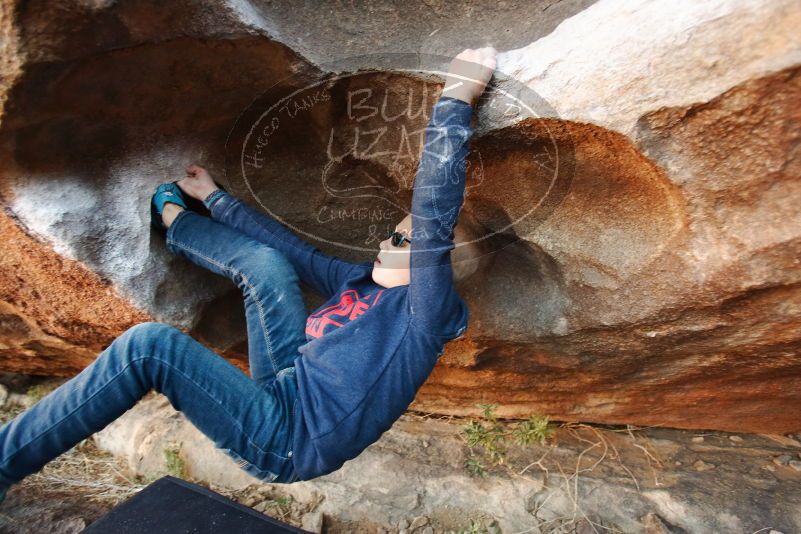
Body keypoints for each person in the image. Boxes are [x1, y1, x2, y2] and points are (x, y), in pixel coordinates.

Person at [0, 46, 498, 500]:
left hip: (286, 439)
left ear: (433, 268)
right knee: (268, 266)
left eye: (402, 240)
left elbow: (433, 215)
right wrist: (214, 199)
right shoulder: (359, 282)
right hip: (282, 383)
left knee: (148, 347)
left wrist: (456, 98)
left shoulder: (419, 317)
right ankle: (175, 220)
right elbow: (288, 249)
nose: (386, 241)